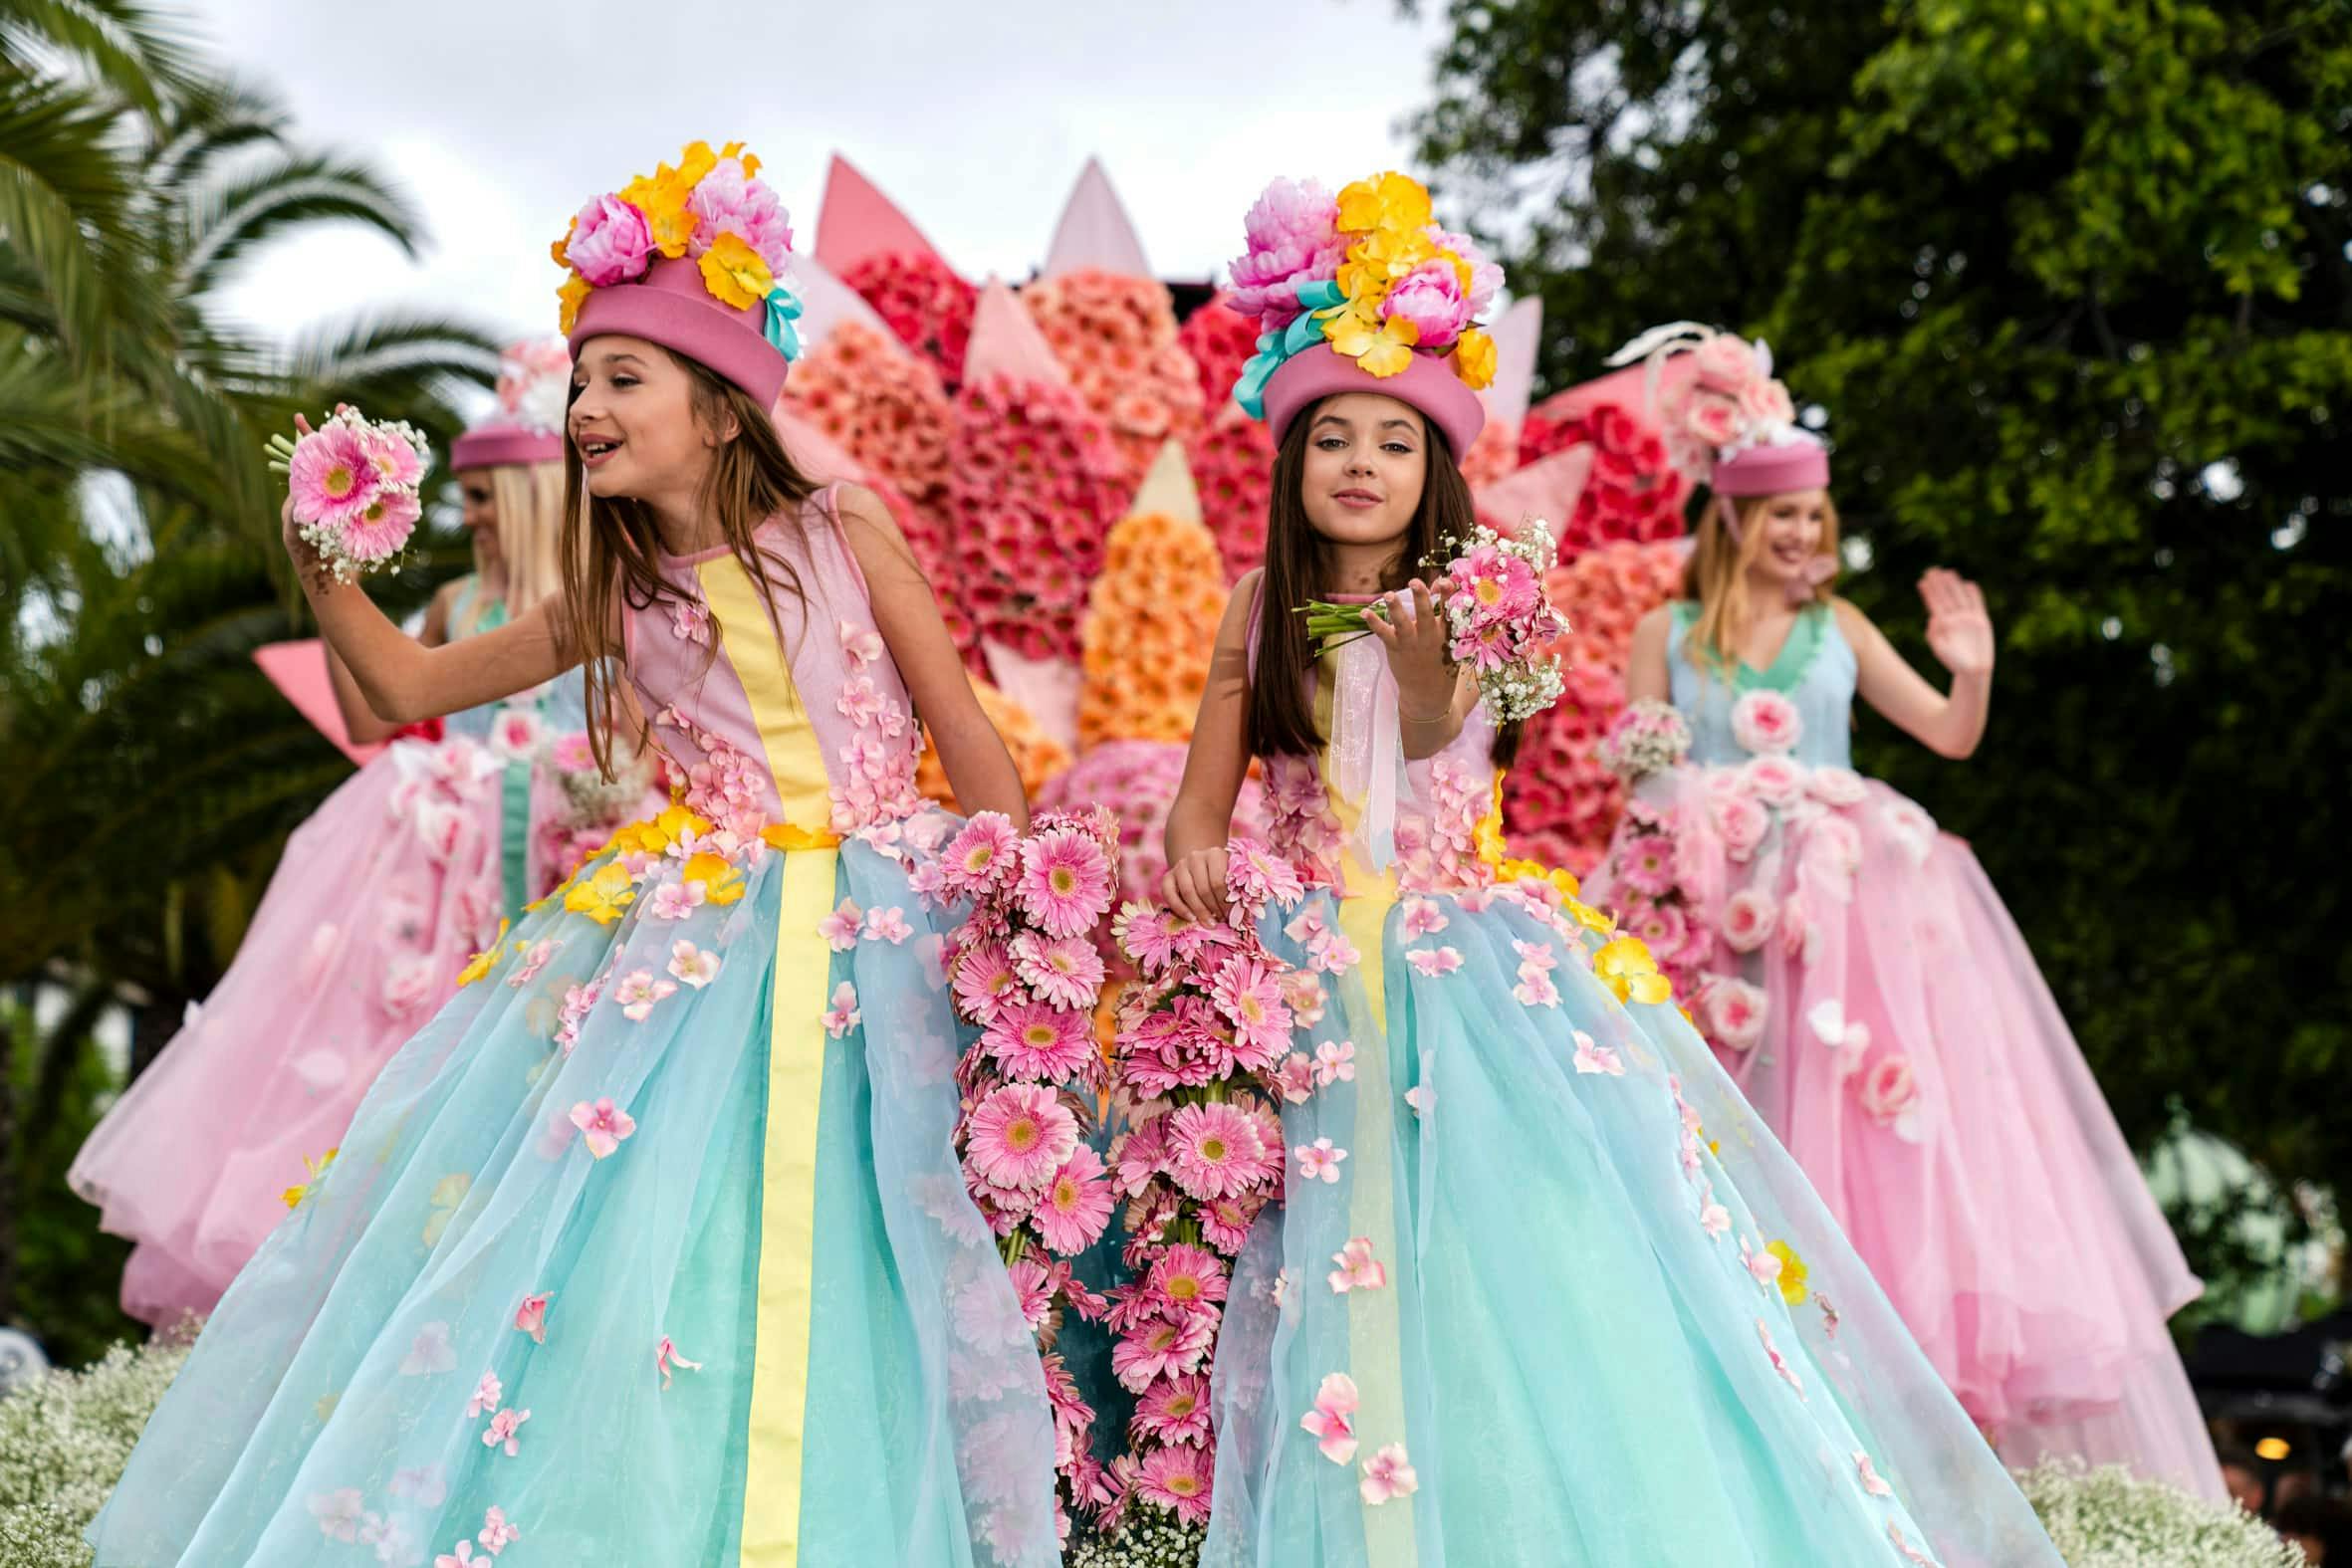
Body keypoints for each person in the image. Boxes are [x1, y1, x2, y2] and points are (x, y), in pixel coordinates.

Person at [87, 139, 1058, 1567]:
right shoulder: (622, 595)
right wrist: (327, 570)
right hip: (702, 960)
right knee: (678, 1247)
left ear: (723, 408)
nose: (586, 407)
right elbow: (402, 695)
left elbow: (966, 736)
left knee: (868, 1232)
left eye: (622, 378)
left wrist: (1020, 924)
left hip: (879, 929)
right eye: (583, 381)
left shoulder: (844, 528)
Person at [1162, 170, 2060, 1566]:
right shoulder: (1254, 604)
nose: (1357, 463)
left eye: (1390, 441)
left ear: (1433, 466)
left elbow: (1434, 736)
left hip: (1451, 972)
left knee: (1508, 1265)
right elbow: (1202, 793)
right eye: (1328, 436)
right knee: (1299, 1267)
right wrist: (1194, 855)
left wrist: (1413, 665)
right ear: (1287, 465)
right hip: (1293, 964)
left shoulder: (1475, 596)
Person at [1589, 324, 2223, 1499]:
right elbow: (1640, 780)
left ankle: (1874, 1430)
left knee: (1855, 1145)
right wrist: (1692, 808)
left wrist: (1969, 665)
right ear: (1730, 519)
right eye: (1780, 518)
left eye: (1813, 521)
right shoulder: (1662, 635)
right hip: (1711, 921)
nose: (1799, 539)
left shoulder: (1842, 633)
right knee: (1719, 1135)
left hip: (1843, 938)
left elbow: (1947, 737)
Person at [68, 342, 588, 1329]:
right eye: (465, 494)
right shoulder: (455, 605)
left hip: (542, 878)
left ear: (533, 491)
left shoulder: (595, 604)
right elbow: (370, 714)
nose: (469, 513)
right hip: (425, 891)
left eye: (485, 493)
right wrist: (330, 566)